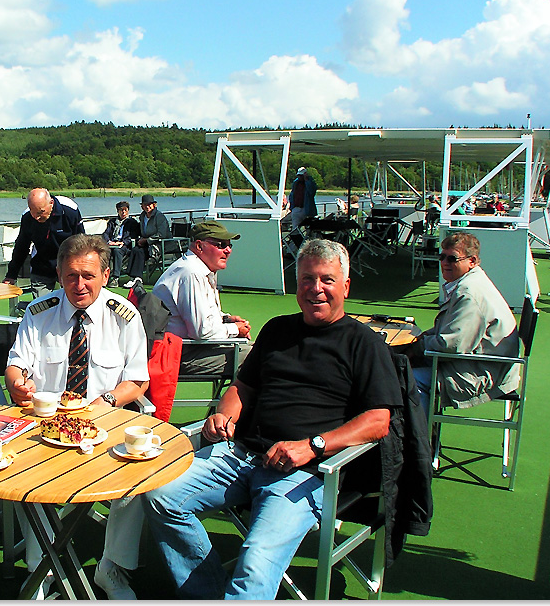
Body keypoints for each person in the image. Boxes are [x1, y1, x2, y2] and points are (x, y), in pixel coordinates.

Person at [141, 239, 403, 599]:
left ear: (346, 285)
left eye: (327, 279)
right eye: (307, 279)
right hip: (239, 454)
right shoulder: (278, 330)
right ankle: (207, 593)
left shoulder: (365, 344)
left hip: (303, 474)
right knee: (158, 494)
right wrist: (223, 415)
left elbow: (378, 421)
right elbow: (242, 388)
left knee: (256, 559)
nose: (315, 289)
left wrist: (313, 447)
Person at [5, 234, 149, 599]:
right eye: (70, 276)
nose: (79, 285)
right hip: (48, 427)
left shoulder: (124, 317)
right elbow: (16, 365)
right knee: (22, 479)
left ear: (105, 274)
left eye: (88, 275)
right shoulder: (39, 313)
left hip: (107, 422)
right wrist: (18, 384)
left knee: (135, 483)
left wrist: (108, 401)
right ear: (58, 274)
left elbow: (137, 380)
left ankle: (110, 569)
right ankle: (42, 570)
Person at [404, 232, 519, 407]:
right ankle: (423, 428)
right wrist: (419, 341)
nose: (444, 263)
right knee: (402, 364)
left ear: (472, 261)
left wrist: (414, 347)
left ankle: (419, 433)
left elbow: (452, 345)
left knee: (402, 378)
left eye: (452, 259)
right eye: (442, 256)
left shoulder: (468, 292)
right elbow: (450, 332)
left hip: (480, 373)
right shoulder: (471, 281)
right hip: (486, 366)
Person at [152, 220, 251, 377]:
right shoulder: (192, 273)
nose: (228, 250)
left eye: (229, 245)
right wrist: (235, 329)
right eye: (221, 244)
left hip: (185, 348)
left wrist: (226, 319)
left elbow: (202, 318)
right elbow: (201, 331)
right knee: (260, 356)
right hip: (178, 354)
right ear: (199, 246)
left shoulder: (196, 268)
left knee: (261, 350)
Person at [4, 187, 84, 297]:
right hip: (42, 266)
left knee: (72, 303)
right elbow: (21, 247)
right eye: (34, 212)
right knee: (41, 308)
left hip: (68, 264)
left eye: (41, 212)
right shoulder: (27, 217)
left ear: (51, 203)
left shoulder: (70, 210)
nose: (37, 217)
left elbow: (81, 242)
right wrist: (11, 275)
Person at [127, 194, 172, 278]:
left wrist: (146, 240)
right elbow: (142, 232)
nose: (147, 207)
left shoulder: (159, 216)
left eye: (149, 204)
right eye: (145, 205)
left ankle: (137, 278)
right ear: (142, 206)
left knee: (140, 252)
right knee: (134, 250)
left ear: (154, 205)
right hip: (146, 243)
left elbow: (162, 234)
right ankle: (131, 277)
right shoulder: (142, 216)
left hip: (160, 244)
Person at [103, 200, 140, 286]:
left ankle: (116, 278)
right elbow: (105, 233)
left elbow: (132, 236)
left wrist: (122, 242)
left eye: (125, 210)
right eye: (121, 210)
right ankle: (102, 276)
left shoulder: (132, 222)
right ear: (118, 211)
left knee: (117, 251)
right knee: (102, 251)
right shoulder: (112, 222)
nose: (123, 212)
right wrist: (109, 242)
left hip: (125, 246)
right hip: (112, 244)